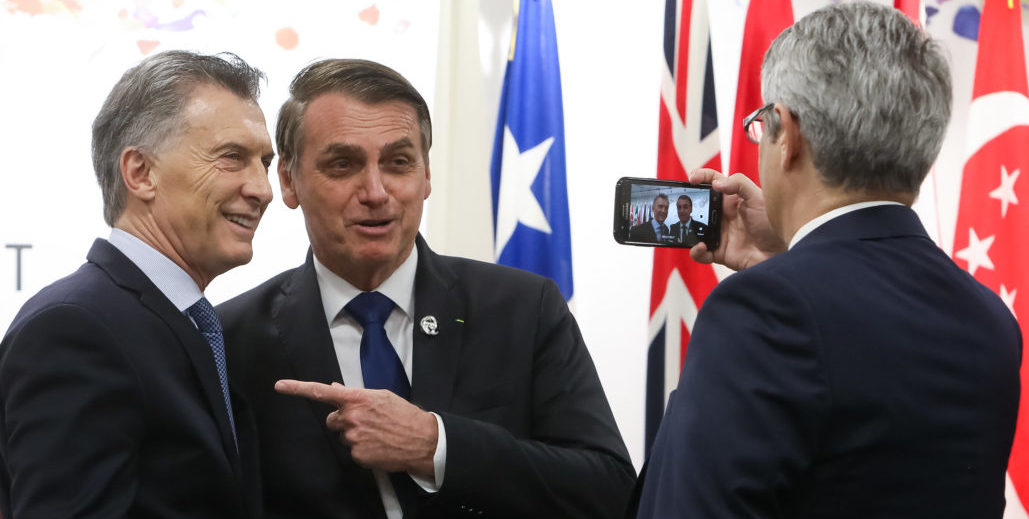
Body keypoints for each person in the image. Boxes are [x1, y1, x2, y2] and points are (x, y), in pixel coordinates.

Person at [634, 3, 1021, 518]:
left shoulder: (763, 311)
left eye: (759, 127)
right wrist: (792, 259)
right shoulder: (990, 318)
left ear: (787, 134)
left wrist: (789, 279)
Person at [217, 58, 634, 519]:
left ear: (427, 175)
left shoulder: (523, 308)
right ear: (290, 182)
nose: (376, 191)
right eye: (343, 164)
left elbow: (609, 490)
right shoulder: (230, 340)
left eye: (398, 162)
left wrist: (438, 446)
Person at [0, 51, 274, 517]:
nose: (262, 189)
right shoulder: (76, 328)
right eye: (232, 158)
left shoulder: (181, 322)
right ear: (140, 173)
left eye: (264, 162)